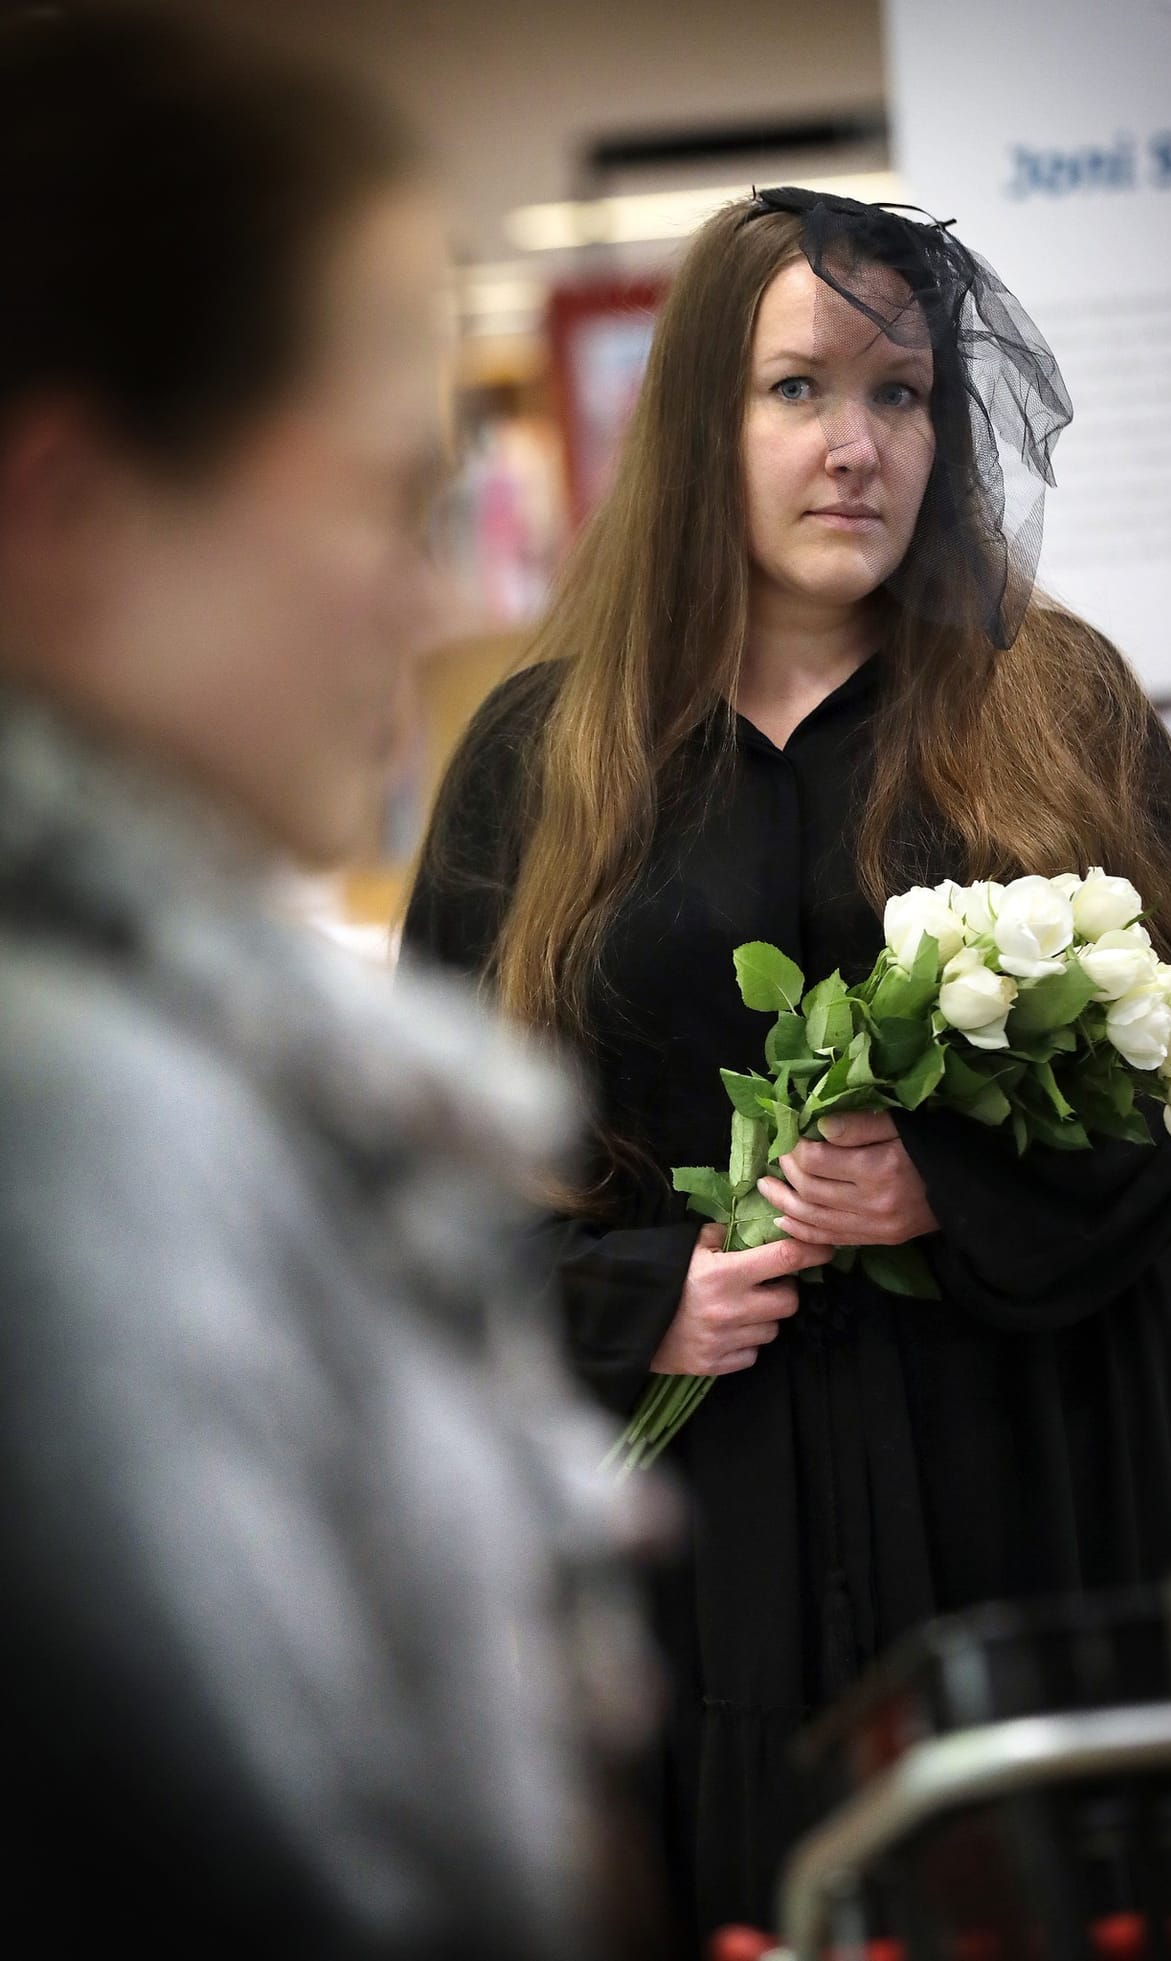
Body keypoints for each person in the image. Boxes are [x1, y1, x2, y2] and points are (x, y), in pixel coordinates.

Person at [400, 188, 1171, 1949]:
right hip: (707, 1523)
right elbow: (416, 1155)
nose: (854, 447)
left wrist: (950, 1184)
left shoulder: (1055, 705)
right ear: (700, 417)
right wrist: (639, 1298)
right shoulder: (542, 757)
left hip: (1027, 1466)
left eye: (900, 395)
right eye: (797, 390)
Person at [0, 7, 654, 1955]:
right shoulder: (80, 1128)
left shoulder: (171, 1055)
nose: (440, 594)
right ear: (70, 511)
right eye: (389, 498)